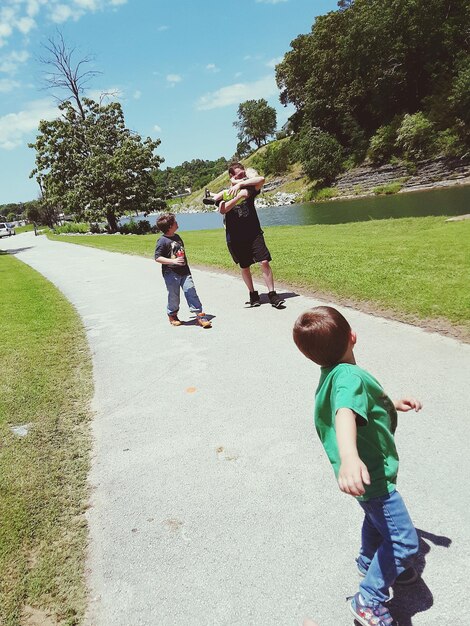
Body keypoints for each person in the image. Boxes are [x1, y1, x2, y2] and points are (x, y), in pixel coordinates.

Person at [292, 306, 422, 626]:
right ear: (353, 336)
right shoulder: (348, 376)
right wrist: (350, 456)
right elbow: (346, 411)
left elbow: (363, 401)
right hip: (371, 472)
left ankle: (370, 560)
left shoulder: (334, 373)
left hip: (366, 479)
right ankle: (369, 597)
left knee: (376, 518)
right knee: (404, 541)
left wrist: (391, 405)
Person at [206, 162, 285, 309]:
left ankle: (272, 294)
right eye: (239, 175)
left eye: (244, 175)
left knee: (264, 262)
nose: (243, 177)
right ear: (231, 176)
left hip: (254, 233)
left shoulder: (248, 187)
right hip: (235, 237)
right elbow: (223, 209)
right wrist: (238, 196)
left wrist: (239, 184)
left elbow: (261, 179)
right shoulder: (225, 193)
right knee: (245, 266)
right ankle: (252, 294)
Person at [154, 213, 211, 328]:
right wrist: (173, 261)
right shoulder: (162, 241)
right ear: (170, 226)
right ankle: (172, 314)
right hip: (171, 273)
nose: (177, 223)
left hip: (184, 271)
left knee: (191, 291)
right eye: (175, 222)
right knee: (174, 295)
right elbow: (157, 257)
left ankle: (199, 315)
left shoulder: (177, 237)